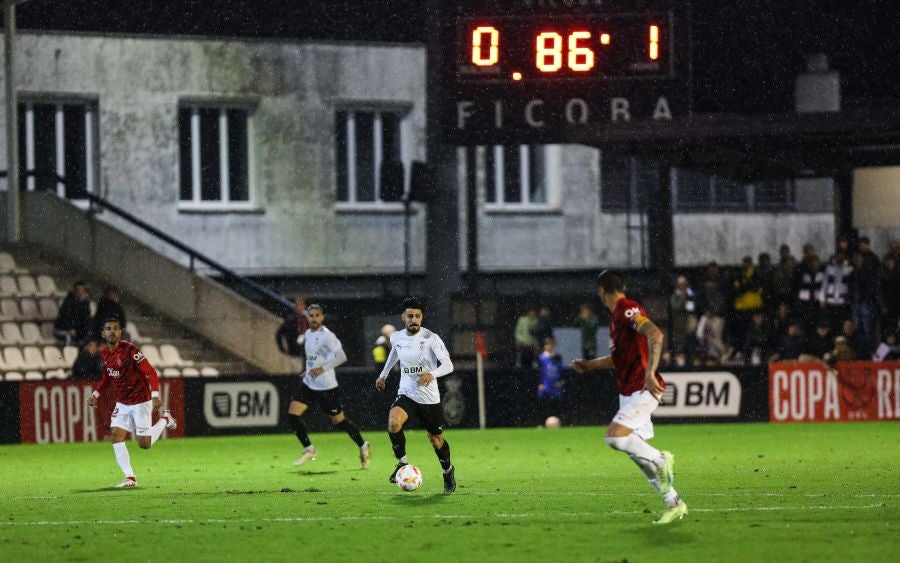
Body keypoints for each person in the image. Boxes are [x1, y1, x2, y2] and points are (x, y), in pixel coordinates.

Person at [572, 270, 686, 525]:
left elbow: (655, 334)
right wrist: (589, 365)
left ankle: (662, 458)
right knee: (638, 456)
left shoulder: (627, 309)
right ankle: (673, 502)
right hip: (628, 392)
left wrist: (649, 374)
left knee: (614, 436)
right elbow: (619, 358)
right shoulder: (616, 318)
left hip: (643, 389)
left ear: (602, 291)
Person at [375, 297, 457, 493]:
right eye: (410, 316)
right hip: (407, 393)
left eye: (417, 316)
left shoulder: (431, 338)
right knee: (393, 423)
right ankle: (402, 464)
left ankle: (447, 470)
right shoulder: (396, 337)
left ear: (422, 318)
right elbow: (394, 353)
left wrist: (432, 373)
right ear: (403, 317)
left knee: (436, 439)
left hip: (429, 398)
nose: (414, 320)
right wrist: (383, 375)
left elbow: (448, 365)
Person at [87, 318, 176, 488]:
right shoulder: (105, 353)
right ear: (103, 333)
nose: (112, 331)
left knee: (144, 444)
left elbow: (150, 371)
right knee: (115, 436)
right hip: (122, 403)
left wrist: (155, 395)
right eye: (108, 328)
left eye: (115, 328)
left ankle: (165, 418)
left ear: (120, 332)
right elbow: (107, 377)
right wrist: (96, 394)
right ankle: (130, 477)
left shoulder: (130, 350)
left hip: (140, 401)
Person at [288, 303, 370, 469]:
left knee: (339, 421)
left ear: (322, 317)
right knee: (292, 415)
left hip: (327, 388)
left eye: (317, 315)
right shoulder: (308, 333)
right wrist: (309, 371)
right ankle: (309, 449)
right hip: (309, 384)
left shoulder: (328, 336)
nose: (314, 318)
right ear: (308, 317)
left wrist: (322, 369)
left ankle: (363, 445)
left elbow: (342, 357)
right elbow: (314, 358)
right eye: (311, 315)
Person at [276, 297, 310, 373]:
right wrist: (282, 348)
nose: (301, 308)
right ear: (296, 306)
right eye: (299, 305)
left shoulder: (306, 319)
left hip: (304, 352)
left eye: (302, 305)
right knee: (297, 373)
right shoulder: (291, 320)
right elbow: (279, 334)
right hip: (295, 353)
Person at [54, 280, 92, 346]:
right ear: (75, 291)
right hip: (62, 329)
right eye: (78, 290)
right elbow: (66, 317)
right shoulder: (68, 302)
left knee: (88, 338)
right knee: (69, 337)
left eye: (83, 290)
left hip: (76, 330)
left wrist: (81, 331)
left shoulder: (85, 303)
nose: (80, 292)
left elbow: (85, 319)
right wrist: (70, 328)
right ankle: (67, 354)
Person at [536, 337, 565, 424]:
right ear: (544, 346)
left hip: (555, 387)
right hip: (545, 386)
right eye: (547, 344)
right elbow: (538, 371)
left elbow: (562, 372)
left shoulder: (558, 357)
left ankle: (557, 423)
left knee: (556, 406)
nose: (549, 346)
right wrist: (539, 383)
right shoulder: (541, 358)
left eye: (551, 344)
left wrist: (561, 381)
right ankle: (541, 423)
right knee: (543, 406)